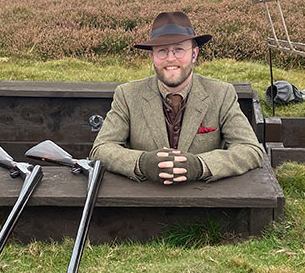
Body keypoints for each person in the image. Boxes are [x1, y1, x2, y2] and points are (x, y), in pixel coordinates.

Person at [91, 11, 264, 184]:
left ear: (194, 54)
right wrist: (142, 163)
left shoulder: (221, 93)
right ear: (152, 56)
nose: (170, 59)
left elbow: (251, 149)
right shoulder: (127, 94)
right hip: (142, 203)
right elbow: (101, 149)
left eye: (179, 50)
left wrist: (201, 166)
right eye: (162, 51)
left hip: (206, 205)